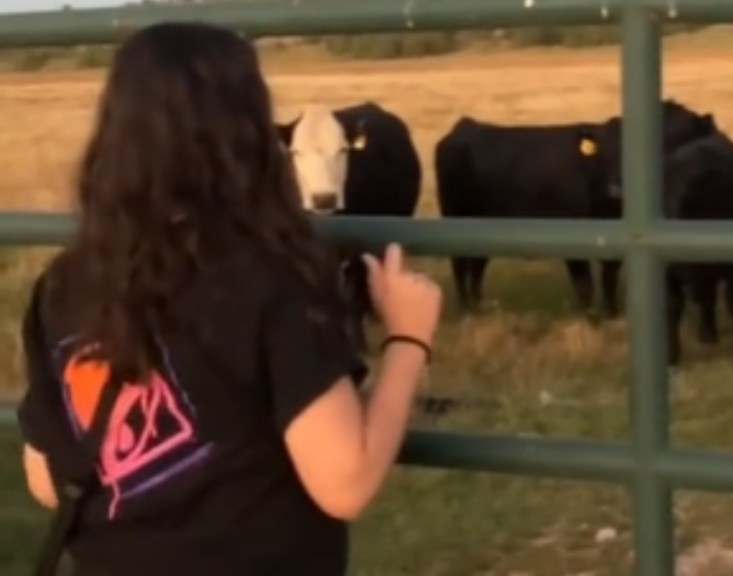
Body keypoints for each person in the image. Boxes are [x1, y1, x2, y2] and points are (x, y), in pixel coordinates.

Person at [15, 21, 442, 576]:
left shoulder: (65, 283)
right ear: (249, 133)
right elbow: (346, 483)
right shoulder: (272, 279)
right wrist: (408, 340)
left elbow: (45, 481)